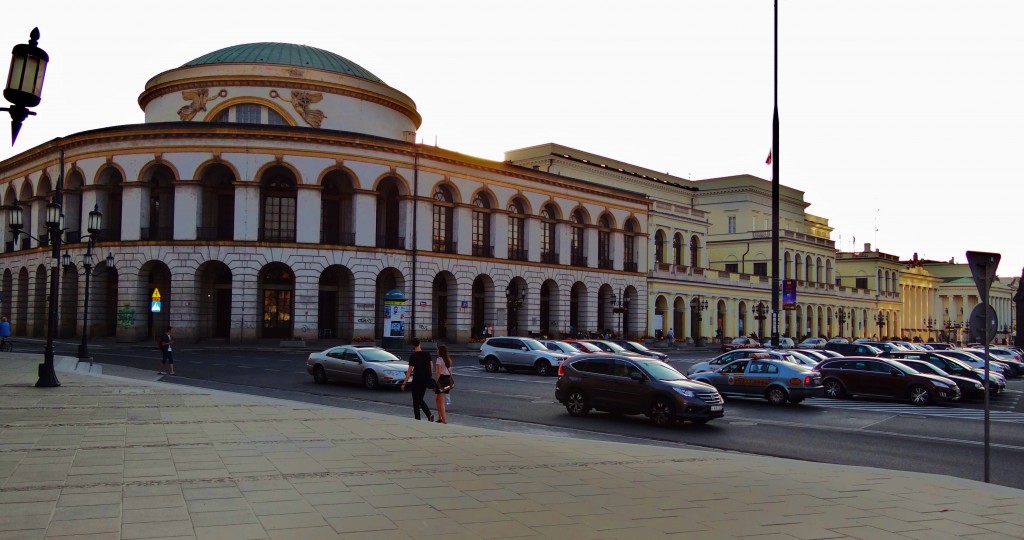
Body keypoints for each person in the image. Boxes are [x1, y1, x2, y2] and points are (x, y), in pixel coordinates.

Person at [400, 337, 434, 421]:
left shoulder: (413, 356)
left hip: (416, 380)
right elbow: (431, 366)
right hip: (425, 380)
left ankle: (419, 418)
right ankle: (429, 415)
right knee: (420, 399)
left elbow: (409, 371)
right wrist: (429, 375)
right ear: (420, 344)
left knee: (416, 401)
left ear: (413, 345)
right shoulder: (427, 354)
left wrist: (404, 383)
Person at [433, 344, 454, 423]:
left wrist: (436, 382)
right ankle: (440, 417)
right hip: (447, 379)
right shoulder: (447, 359)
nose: (437, 351)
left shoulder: (439, 359)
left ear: (440, 351)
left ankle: (443, 419)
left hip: (441, 379)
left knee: (440, 401)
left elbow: (438, 372)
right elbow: (451, 372)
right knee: (438, 399)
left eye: (438, 350)